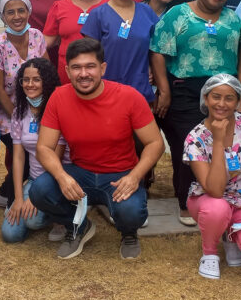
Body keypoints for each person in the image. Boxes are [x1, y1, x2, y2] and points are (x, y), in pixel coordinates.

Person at [29, 38, 165, 260]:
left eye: (90, 66)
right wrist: (62, 177)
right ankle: (79, 226)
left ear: (102, 68)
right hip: (80, 172)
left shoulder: (129, 96)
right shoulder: (59, 97)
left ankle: (129, 233)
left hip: (120, 174)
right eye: (76, 67)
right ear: (67, 70)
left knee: (130, 213)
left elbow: (155, 143)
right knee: (40, 190)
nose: (84, 73)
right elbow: (44, 147)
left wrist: (135, 176)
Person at [151, 0, 241, 223]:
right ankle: (186, 200)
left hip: (223, 92)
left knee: (221, 143)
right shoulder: (177, 14)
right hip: (184, 89)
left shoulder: (233, 19)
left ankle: (221, 195)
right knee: (187, 144)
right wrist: (165, 90)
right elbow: (158, 52)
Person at [184, 74, 241, 279]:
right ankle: (209, 253)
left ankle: (230, 236)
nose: (221, 104)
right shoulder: (195, 137)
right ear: (205, 99)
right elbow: (215, 190)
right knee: (217, 207)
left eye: (229, 98)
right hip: (209, 201)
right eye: (215, 97)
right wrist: (218, 141)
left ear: (237, 101)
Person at [0, 58, 70, 243]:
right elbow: (18, 157)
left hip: (57, 179)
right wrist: (18, 198)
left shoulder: (58, 109)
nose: (30, 84)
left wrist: (35, 197)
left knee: (32, 220)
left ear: (46, 81)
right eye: (25, 79)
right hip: (33, 178)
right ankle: (43, 209)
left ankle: (62, 217)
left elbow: (56, 159)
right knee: (10, 234)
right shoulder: (19, 112)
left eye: (36, 79)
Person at [0, 0, 46, 205]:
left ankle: (5, 195)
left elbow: (47, 73)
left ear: (28, 12)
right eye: (10, 12)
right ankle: (11, 198)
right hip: (8, 112)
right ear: (3, 17)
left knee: (37, 152)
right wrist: (19, 117)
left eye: (21, 10)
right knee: (21, 155)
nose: (16, 16)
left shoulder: (37, 36)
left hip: (36, 109)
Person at [81, 0, 159, 103]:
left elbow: (156, 49)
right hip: (106, 88)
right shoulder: (98, 14)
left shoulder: (147, 12)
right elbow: (89, 55)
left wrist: (152, 70)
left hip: (139, 89)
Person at [42, 0, 108, 84]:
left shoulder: (111, 4)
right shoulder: (59, 6)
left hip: (100, 74)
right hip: (67, 75)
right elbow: (45, 42)